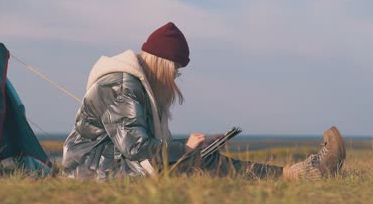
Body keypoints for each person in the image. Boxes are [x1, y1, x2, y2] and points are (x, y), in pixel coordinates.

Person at [62, 22, 346, 180]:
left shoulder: (139, 85)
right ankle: (300, 175)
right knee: (199, 163)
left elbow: (143, 144)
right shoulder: (121, 85)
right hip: (90, 173)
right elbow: (135, 147)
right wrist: (184, 148)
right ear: (164, 64)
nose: (176, 77)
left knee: (203, 159)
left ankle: (296, 174)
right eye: (176, 69)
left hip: (108, 167)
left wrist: (193, 146)